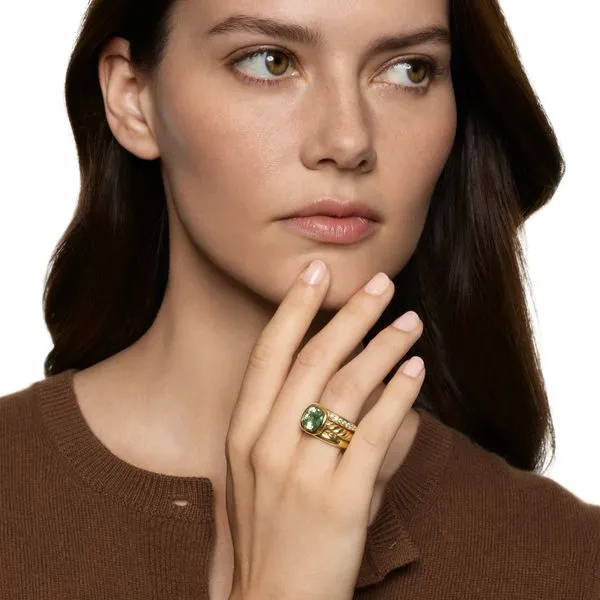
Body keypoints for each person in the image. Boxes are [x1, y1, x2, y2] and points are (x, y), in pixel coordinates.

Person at [0, 0, 598, 598]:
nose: (348, 140)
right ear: (134, 99)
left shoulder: (570, 562)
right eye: (270, 61)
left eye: (409, 70)